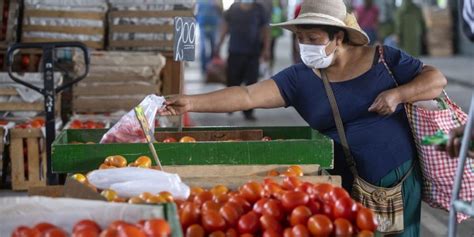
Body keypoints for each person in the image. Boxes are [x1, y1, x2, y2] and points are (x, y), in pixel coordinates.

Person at [161, 0, 447, 235]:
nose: (305, 46)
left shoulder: (382, 58)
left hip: (395, 179)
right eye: (299, 39)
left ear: (338, 37)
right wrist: (191, 102)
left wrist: (398, 95)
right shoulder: (299, 79)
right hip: (341, 182)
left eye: (313, 38)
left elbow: (435, 80)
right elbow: (247, 96)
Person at [214, 0, 270, 121]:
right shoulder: (233, 8)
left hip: (253, 53)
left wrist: (266, 49)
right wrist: (219, 44)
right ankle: (231, 106)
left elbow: (265, 30)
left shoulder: (259, 9)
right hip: (235, 52)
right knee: (233, 82)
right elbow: (225, 26)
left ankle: (248, 112)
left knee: (252, 83)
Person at [196, 0, 222, 75]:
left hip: (214, 27)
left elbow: (221, 12)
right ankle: (204, 69)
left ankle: (211, 68)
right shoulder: (199, 1)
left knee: (213, 48)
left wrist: (217, 5)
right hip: (202, 26)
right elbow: (195, 11)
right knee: (203, 49)